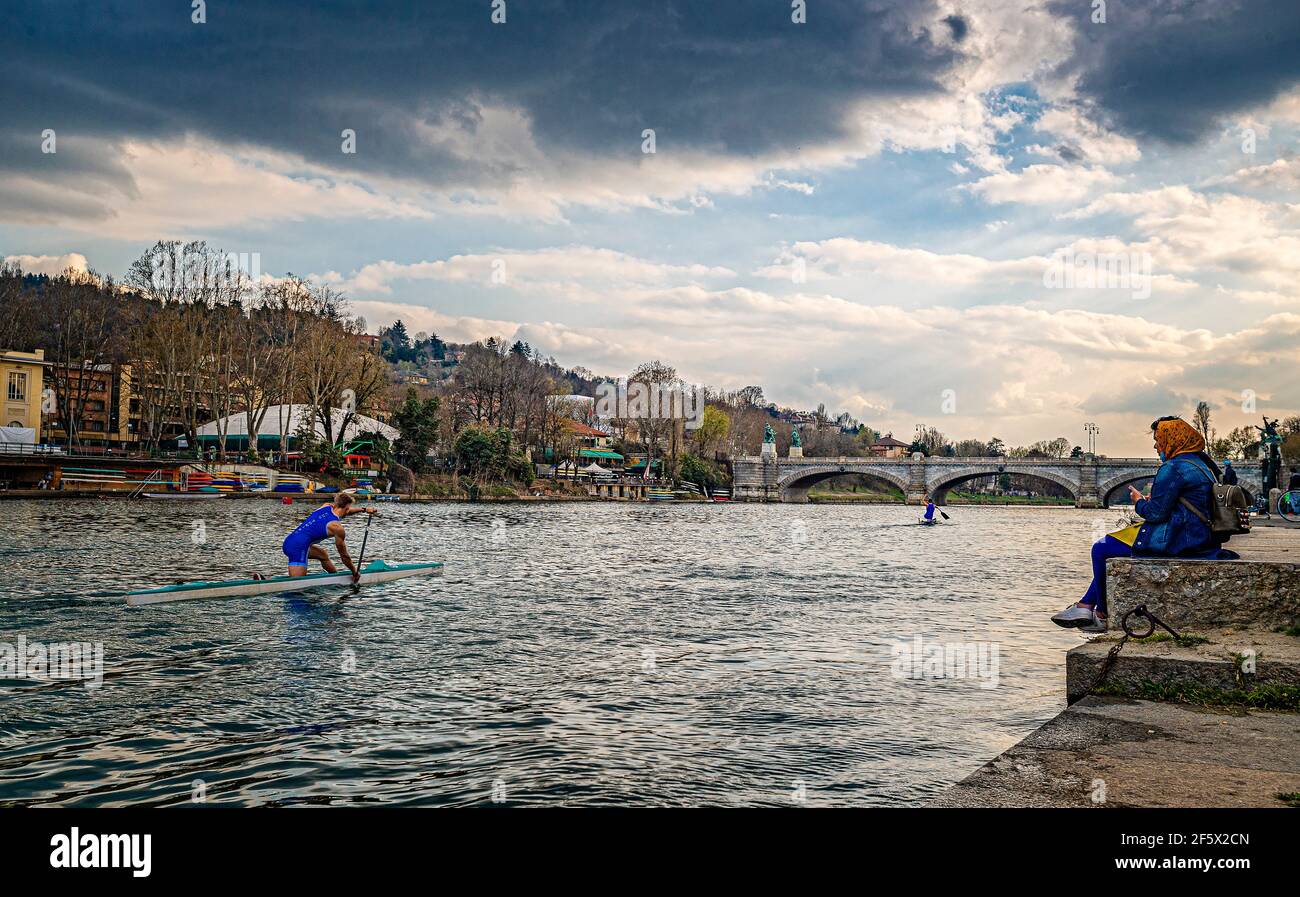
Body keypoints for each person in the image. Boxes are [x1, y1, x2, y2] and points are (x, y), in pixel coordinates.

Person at [1052, 417, 1231, 633]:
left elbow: (1155, 513)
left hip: (1181, 538)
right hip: (1200, 535)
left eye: (1158, 439)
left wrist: (1138, 502)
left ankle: (1100, 612)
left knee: (1101, 548)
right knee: (1111, 547)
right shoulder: (1203, 465)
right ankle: (1085, 606)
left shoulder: (1174, 467)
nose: (1156, 446)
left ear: (1171, 439)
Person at [282, 492, 376, 579]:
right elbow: (344, 556)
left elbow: (347, 510)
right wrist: (354, 572)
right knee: (297, 586)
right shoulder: (337, 527)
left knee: (323, 555)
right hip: (298, 547)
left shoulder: (326, 506)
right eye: (348, 508)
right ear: (346, 508)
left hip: (290, 541)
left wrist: (364, 509)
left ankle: (335, 577)